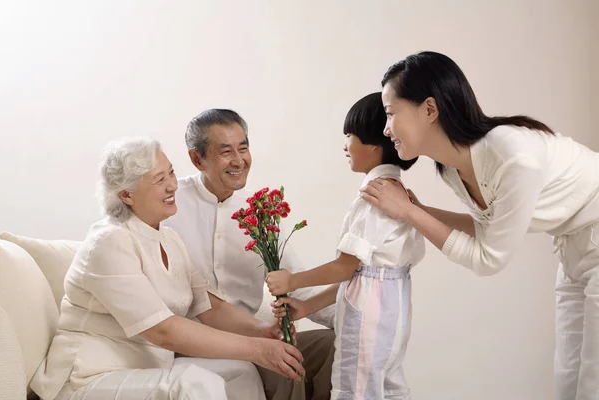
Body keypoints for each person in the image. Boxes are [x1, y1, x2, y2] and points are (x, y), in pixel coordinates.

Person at [360, 51, 599, 400]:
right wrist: (418, 208)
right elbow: (485, 227)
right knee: (568, 377)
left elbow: (489, 259)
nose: (385, 129)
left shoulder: (511, 155)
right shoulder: (452, 168)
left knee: (592, 383)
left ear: (429, 109)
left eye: (391, 113)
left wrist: (413, 214)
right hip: (573, 249)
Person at [31, 137, 304, 400]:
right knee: (196, 385)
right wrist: (257, 349)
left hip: (146, 368)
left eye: (171, 173)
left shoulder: (169, 238)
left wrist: (261, 330)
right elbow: (163, 330)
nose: (173, 186)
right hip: (89, 376)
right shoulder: (109, 241)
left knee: (240, 373)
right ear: (126, 195)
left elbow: (209, 307)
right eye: (159, 180)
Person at [163, 109, 335, 400]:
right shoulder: (168, 205)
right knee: (286, 364)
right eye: (226, 151)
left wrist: (357, 319)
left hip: (255, 335)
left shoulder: (258, 212)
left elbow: (297, 286)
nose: (238, 160)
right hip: (196, 345)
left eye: (243, 148)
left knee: (335, 344)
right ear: (197, 158)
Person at [266, 92, 425, 400]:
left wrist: (292, 280)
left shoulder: (374, 198)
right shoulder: (397, 191)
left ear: (374, 145)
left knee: (356, 390)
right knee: (387, 387)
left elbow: (346, 267)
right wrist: (309, 306)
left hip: (369, 318)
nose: (345, 145)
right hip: (393, 311)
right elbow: (363, 274)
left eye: (350, 136)